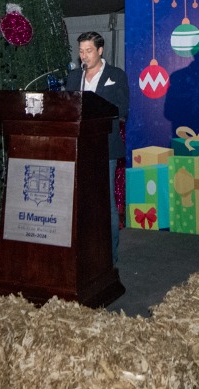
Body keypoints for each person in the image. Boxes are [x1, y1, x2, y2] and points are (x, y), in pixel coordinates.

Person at [66, 32, 129, 265]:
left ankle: (108, 258)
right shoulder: (73, 77)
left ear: (100, 51)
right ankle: (84, 255)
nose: (84, 56)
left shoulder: (116, 75)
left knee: (106, 204)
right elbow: (67, 108)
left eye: (89, 51)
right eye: (81, 51)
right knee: (80, 202)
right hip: (78, 148)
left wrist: (95, 109)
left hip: (105, 147)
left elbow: (122, 109)